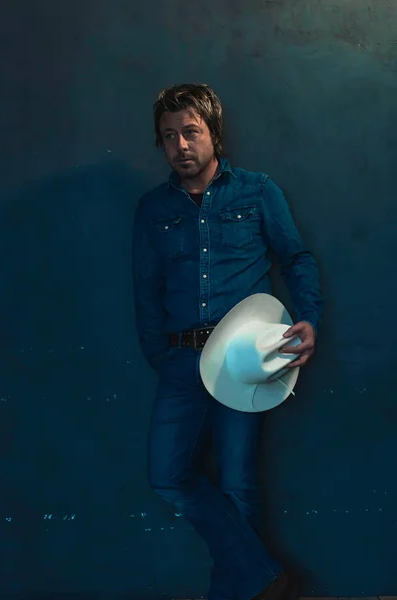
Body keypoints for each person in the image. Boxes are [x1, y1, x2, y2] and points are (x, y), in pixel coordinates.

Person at [132, 83, 323, 600]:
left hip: (243, 358)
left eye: (191, 132)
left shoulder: (258, 191)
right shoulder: (153, 209)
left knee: (238, 482)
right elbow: (146, 289)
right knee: (167, 475)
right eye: (168, 137)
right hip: (179, 360)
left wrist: (308, 317)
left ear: (213, 133)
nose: (181, 146)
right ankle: (266, 578)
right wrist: (161, 354)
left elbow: (296, 258)